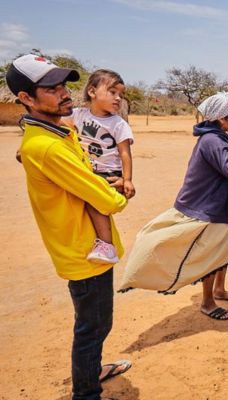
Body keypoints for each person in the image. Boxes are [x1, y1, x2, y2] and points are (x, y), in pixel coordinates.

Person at [7, 54, 131, 400]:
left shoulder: (58, 132)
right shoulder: (47, 147)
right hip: (83, 251)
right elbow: (106, 200)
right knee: (93, 327)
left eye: (63, 85)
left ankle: (93, 371)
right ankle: (86, 392)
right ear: (26, 98)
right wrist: (118, 194)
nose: (64, 93)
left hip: (84, 245)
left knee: (94, 323)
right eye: (51, 88)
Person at [120, 92, 228, 321]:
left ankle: (219, 290)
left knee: (223, 249)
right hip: (208, 207)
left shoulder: (216, 136)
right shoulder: (212, 140)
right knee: (211, 252)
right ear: (222, 119)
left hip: (219, 204)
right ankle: (207, 302)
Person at [62, 69, 135, 264]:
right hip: (86, 171)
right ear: (92, 92)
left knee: (94, 205)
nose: (118, 98)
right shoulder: (77, 115)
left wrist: (127, 179)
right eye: (113, 92)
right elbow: (54, 128)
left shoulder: (118, 124)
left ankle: (106, 245)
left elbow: (125, 153)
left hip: (108, 173)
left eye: (121, 95)